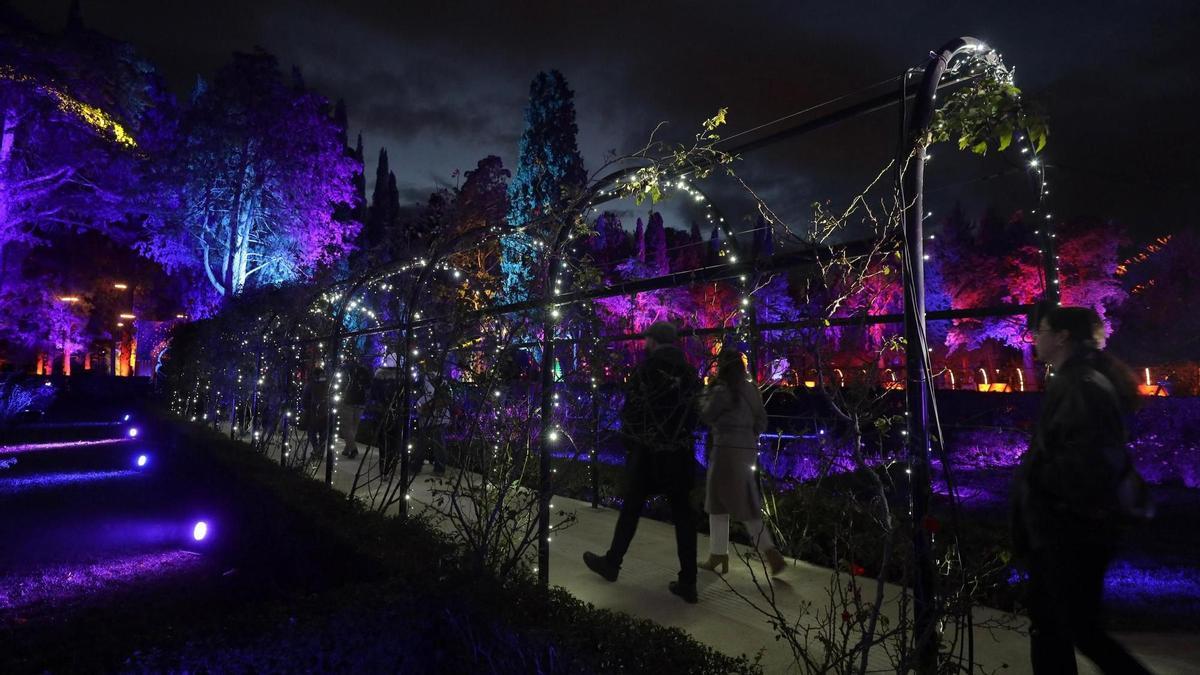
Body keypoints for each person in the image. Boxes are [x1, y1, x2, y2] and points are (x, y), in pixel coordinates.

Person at [1012, 305, 1152, 674]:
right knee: (1062, 628)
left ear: (1062, 337)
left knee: (1070, 629)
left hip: (1070, 530)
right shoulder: (1081, 380)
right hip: (1072, 528)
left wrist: (1039, 486)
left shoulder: (1080, 385)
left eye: (1041, 330)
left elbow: (1086, 462)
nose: (1035, 338)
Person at [584, 321, 703, 603]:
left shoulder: (646, 370)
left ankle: (612, 563)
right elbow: (695, 415)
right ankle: (689, 582)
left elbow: (631, 413)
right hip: (678, 454)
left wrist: (631, 444)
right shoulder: (688, 373)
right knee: (683, 516)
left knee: (631, 509)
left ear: (652, 340)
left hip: (648, 453)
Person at [698, 348, 786, 575]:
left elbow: (706, 415)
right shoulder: (751, 389)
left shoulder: (720, 390)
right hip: (746, 448)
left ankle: (766, 551)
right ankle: (724, 554)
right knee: (738, 498)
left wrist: (706, 393)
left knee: (729, 502)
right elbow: (761, 419)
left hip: (724, 449)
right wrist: (750, 434)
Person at [416, 373, 451, 475]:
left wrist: (428, 407)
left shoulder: (441, 385)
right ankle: (416, 465)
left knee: (437, 443)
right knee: (422, 443)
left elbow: (444, 401)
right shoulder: (426, 382)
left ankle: (439, 468)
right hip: (429, 420)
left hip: (439, 419)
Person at [340, 362, 371, 459]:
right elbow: (368, 387)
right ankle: (347, 448)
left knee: (346, 427)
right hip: (360, 403)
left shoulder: (347, 370)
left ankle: (353, 448)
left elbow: (343, 385)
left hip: (349, 401)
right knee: (354, 426)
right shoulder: (366, 372)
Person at [301, 367, 329, 464]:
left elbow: (304, 399)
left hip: (313, 413)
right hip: (324, 413)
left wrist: (305, 408)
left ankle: (316, 449)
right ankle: (320, 452)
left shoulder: (310, 385)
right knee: (323, 434)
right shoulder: (327, 384)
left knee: (312, 432)